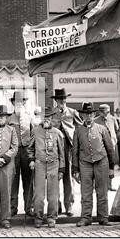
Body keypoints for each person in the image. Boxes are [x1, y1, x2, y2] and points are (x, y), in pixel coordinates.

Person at [72, 102, 115, 227]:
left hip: (101, 162)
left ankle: (103, 217)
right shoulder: (78, 131)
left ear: (94, 114)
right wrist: (75, 169)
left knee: (102, 192)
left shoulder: (102, 129)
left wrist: (111, 167)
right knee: (86, 193)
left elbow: (109, 148)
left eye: (90, 114)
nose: (88, 117)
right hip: (84, 164)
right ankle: (86, 217)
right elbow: (75, 151)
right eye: (86, 114)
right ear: (83, 116)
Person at [27, 107, 65, 228]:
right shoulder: (36, 131)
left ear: (52, 118)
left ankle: (51, 217)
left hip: (54, 164)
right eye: (45, 117)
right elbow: (30, 148)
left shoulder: (57, 133)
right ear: (41, 118)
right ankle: (38, 216)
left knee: (53, 194)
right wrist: (31, 160)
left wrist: (61, 169)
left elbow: (61, 153)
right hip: (40, 164)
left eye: (49, 117)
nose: (46, 119)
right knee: (38, 194)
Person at [51, 88, 82, 216]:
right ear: (56, 100)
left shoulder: (72, 112)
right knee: (55, 177)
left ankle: (68, 205)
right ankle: (56, 205)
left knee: (68, 177)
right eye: (59, 99)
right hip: (55, 148)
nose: (62, 101)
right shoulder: (51, 113)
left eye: (64, 99)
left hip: (68, 148)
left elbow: (80, 128)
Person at [8, 91, 34, 217]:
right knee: (13, 179)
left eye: (21, 101)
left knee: (28, 180)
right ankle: (12, 208)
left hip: (27, 151)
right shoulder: (8, 119)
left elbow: (34, 136)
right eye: (16, 101)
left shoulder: (30, 118)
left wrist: (32, 155)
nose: (18, 103)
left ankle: (29, 208)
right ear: (13, 103)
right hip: (14, 152)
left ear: (24, 102)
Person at [95, 104, 119, 191]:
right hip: (100, 146)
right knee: (99, 164)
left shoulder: (112, 119)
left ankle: (109, 185)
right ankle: (98, 185)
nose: (107, 114)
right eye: (105, 112)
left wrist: (114, 139)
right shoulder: (95, 121)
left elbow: (116, 129)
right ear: (100, 112)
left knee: (111, 164)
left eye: (108, 112)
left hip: (111, 145)